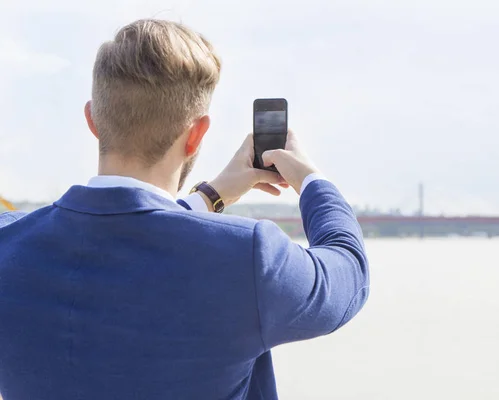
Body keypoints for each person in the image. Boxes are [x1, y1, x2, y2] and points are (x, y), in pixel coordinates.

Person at [0, 19, 369, 400]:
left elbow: (129, 241)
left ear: (93, 119)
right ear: (196, 135)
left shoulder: (7, 243)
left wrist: (210, 196)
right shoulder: (248, 258)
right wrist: (311, 180)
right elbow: (347, 273)